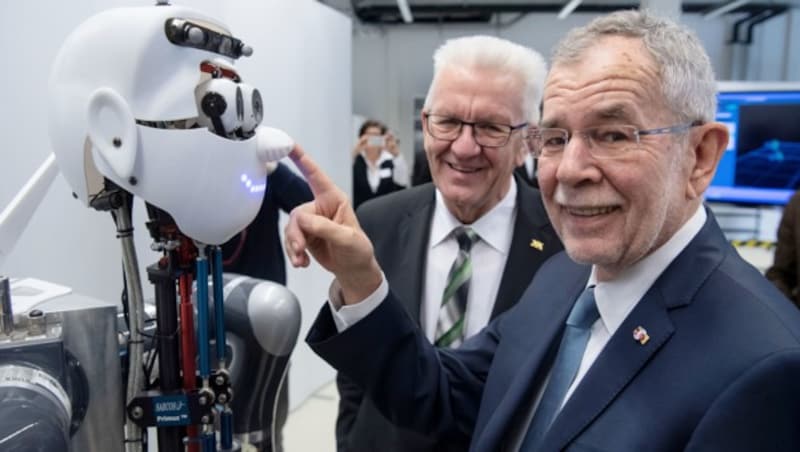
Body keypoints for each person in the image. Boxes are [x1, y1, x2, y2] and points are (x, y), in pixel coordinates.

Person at [286, 10, 800, 452]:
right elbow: (443, 395)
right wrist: (359, 276)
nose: (570, 169)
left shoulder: (766, 369)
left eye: (613, 134)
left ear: (701, 156)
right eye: (556, 136)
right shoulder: (567, 278)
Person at [336, 35, 562, 452]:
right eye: (448, 122)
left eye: (491, 128)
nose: (463, 146)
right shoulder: (377, 221)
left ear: (527, 143)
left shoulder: (564, 243)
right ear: (425, 124)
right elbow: (357, 371)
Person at [221, 160, 313, 452]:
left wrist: (273, 167)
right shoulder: (201, 177)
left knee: (269, 417)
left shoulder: (261, 172)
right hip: (211, 311)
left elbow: (307, 202)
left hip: (266, 320)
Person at [352, 119, 409, 209]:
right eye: (369, 135)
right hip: (360, 214)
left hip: (386, 213)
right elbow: (343, 179)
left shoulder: (389, 160)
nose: (373, 138)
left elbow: (402, 183)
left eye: (376, 135)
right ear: (362, 137)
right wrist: (355, 151)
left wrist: (396, 153)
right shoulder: (356, 160)